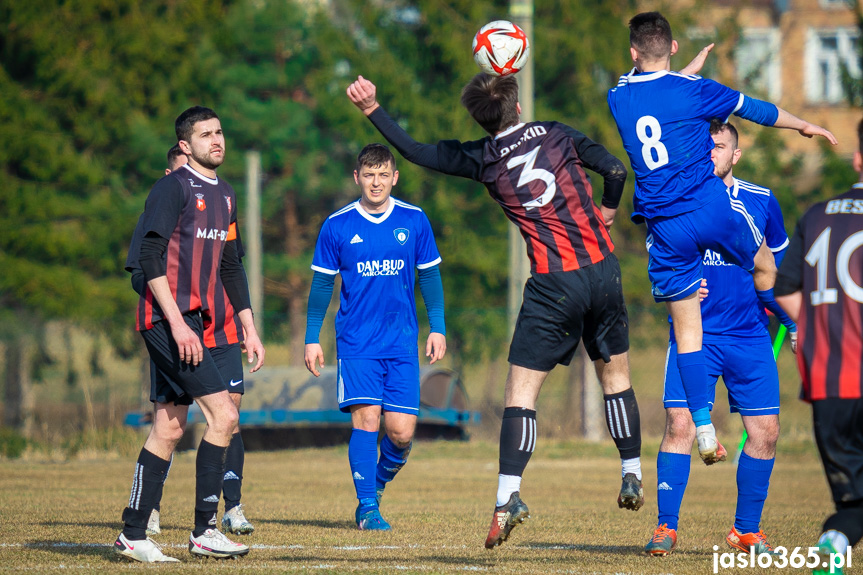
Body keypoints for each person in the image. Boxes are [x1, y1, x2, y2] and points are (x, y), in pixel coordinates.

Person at [346, 73, 645, 550]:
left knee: (521, 393)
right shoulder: (556, 132)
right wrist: (607, 212)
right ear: (519, 106)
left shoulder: (482, 159)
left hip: (555, 283)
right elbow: (614, 170)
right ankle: (631, 471)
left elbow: (415, 151)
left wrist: (372, 109)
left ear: (478, 119)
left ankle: (508, 498)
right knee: (616, 376)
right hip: (605, 272)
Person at [607, 11, 835, 464]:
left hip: (664, 225)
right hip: (710, 210)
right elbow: (759, 110)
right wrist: (804, 126)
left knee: (688, 330)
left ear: (633, 53)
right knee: (766, 261)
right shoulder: (697, 92)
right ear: (673, 47)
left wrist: (679, 74)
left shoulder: (618, 96)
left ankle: (704, 428)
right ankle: (792, 325)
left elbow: (650, 88)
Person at [113, 106, 264, 563]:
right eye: (205, 134)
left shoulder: (227, 194)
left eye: (219, 132)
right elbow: (150, 256)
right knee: (223, 416)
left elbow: (231, 265)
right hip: (166, 321)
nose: (216, 140)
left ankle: (132, 533)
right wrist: (177, 322)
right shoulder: (171, 187)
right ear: (185, 145)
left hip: (194, 323)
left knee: (170, 426)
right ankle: (204, 530)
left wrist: (249, 326)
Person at [644, 120, 790, 557]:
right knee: (680, 425)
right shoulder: (673, 200)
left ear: (735, 155)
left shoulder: (762, 201)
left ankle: (746, 530)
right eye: (705, 147)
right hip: (695, 338)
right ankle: (665, 527)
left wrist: (791, 320)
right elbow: (661, 262)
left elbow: (776, 271)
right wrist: (684, 283)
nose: (711, 153)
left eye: (720, 147)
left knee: (765, 432)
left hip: (749, 337)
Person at [304, 143, 447, 531]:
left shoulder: (414, 220)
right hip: (357, 343)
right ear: (357, 178)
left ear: (395, 177)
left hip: (401, 342)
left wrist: (438, 327)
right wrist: (311, 336)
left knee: (401, 433)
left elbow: (429, 276)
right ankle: (367, 507)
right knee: (366, 420)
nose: (376, 182)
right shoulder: (337, 225)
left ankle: (377, 483)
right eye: (368, 175)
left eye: (383, 175)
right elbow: (321, 285)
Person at [775, 118, 863, 575]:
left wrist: (819, 327)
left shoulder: (817, 214)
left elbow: (785, 291)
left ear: (857, 158)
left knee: (855, 499)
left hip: (830, 381)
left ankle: (834, 540)